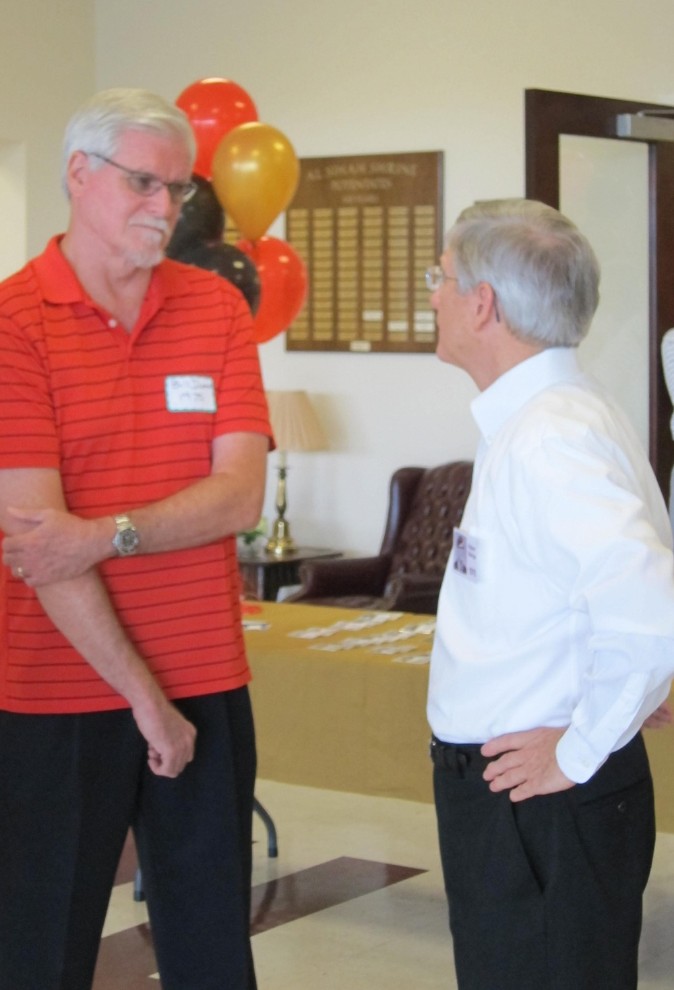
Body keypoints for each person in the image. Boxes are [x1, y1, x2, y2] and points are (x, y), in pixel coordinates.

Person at [0, 88, 272, 990]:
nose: (166, 207)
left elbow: (239, 497)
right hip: (56, 693)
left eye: (179, 189)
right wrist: (146, 701)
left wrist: (105, 535)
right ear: (79, 175)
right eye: (144, 183)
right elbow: (41, 552)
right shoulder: (13, 323)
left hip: (208, 679)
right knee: (42, 951)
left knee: (213, 953)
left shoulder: (217, 309)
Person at [426, 198, 674, 990]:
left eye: (440, 278)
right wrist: (627, 696)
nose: (432, 295)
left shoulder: (550, 436)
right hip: (530, 800)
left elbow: (652, 612)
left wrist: (579, 746)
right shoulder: (551, 413)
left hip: (539, 803)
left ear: (483, 304)